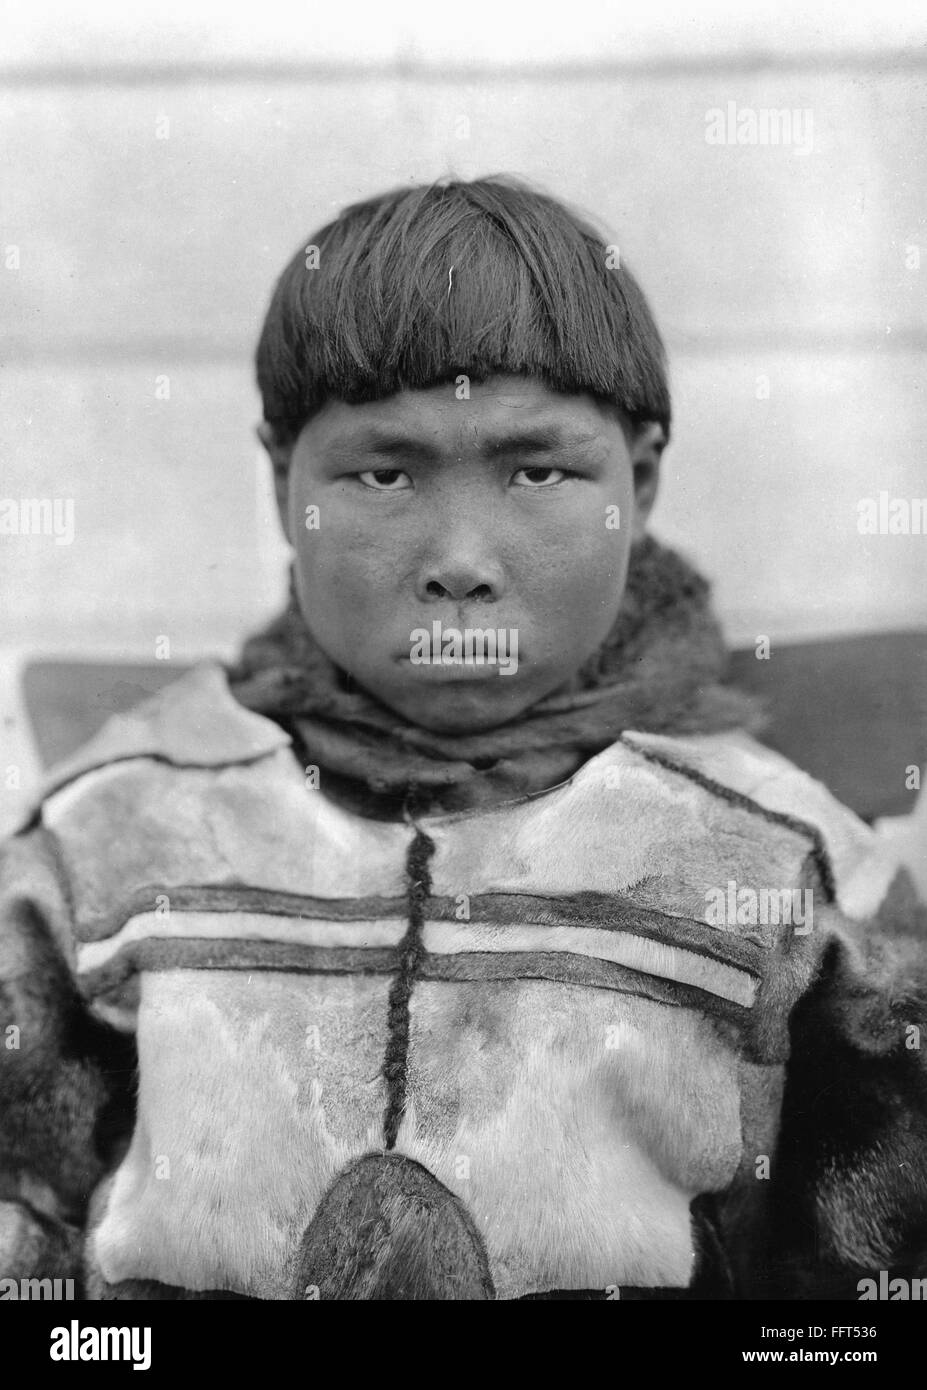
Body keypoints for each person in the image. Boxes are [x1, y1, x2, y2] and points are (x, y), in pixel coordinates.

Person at [1, 177, 925, 1301]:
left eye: (538, 470)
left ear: (635, 482)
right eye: (383, 473)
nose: (461, 559)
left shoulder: (785, 864)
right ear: (281, 482)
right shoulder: (108, 839)